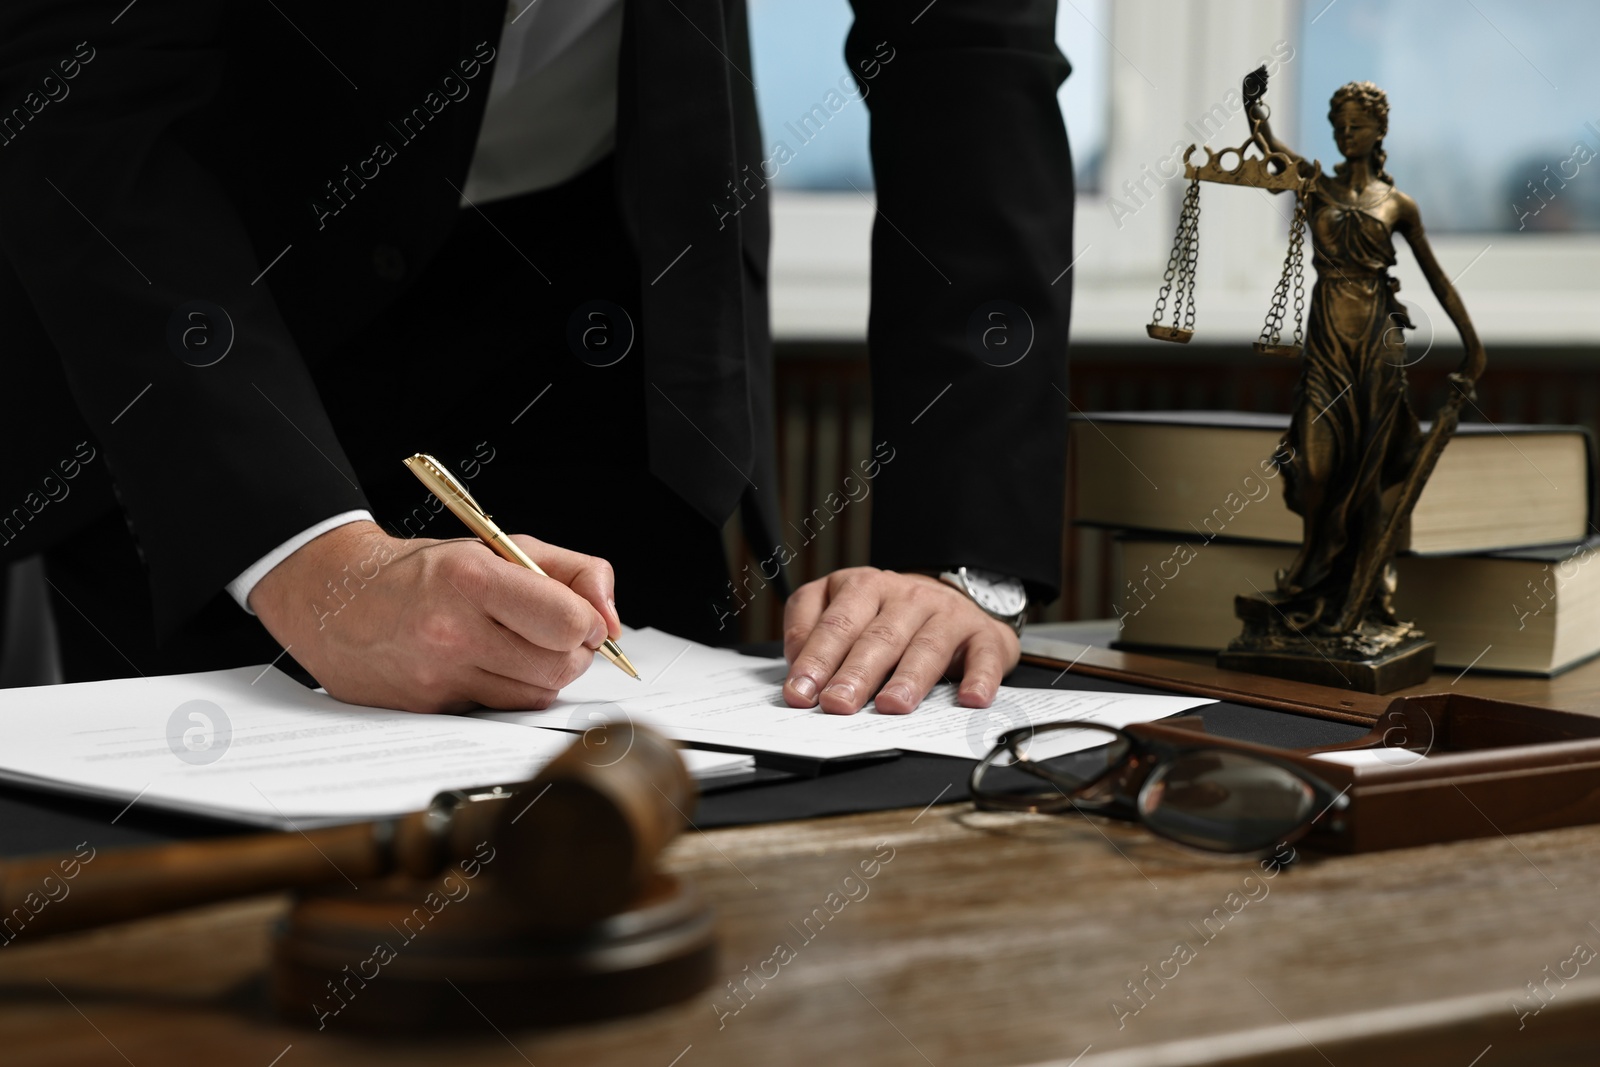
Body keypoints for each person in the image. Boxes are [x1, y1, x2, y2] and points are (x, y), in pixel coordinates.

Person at [0, 1, 1075, 714]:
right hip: (213, 317)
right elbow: (81, 101)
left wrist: (959, 559)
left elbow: (966, 52)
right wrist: (306, 554)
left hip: (610, 300)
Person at [1249, 81, 1486, 634]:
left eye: (1357, 124)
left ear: (1379, 130)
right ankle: (1314, 579)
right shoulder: (1316, 185)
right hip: (1327, 344)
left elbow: (1437, 279)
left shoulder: (1399, 205)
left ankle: (1360, 598)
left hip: (1377, 349)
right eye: (1339, 124)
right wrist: (1255, 119)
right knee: (1317, 467)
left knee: (1368, 474)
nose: (1346, 133)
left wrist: (1472, 345)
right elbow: (1273, 151)